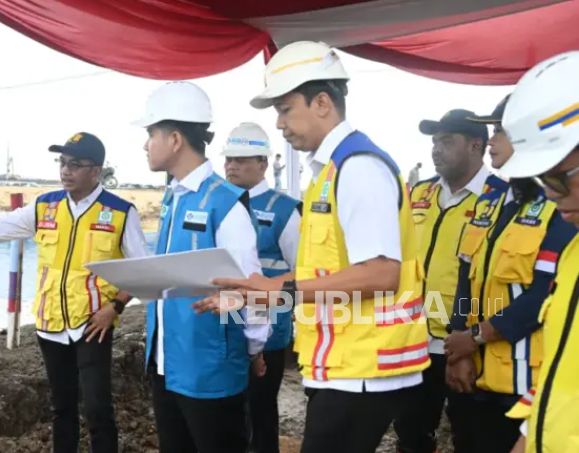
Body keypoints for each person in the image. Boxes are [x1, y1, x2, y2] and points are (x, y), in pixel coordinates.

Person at [198, 41, 430, 453]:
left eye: (286, 110)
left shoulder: (358, 167)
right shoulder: (329, 172)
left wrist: (281, 291)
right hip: (344, 362)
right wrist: (251, 294)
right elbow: (322, 273)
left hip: (365, 366)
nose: (280, 125)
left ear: (322, 102)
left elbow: (382, 273)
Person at [0, 132, 147, 453]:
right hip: (50, 324)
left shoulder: (120, 211)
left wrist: (115, 308)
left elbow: (142, 269)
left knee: (97, 409)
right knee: (61, 408)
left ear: (96, 171)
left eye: (75, 165)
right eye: (62, 163)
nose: (65, 171)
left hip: (93, 324)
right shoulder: (45, 206)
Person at [133, 81, 270, 453]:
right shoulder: (172, 198)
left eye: (151, 134)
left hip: (211, 373)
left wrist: (255, 349)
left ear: (175, 139)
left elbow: (251, 290)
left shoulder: (225, 205)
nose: (145, 144)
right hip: (166, 365)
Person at [440, 95, 576, 453]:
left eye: (502, 131)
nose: (492, 141)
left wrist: (477, 337)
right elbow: (465, 279)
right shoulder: (489, 203)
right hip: (476, 375)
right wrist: (459, 348)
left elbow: (546, 292)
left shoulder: (560, 206)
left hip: (526, 383)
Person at [481, 52, 579, 453]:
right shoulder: (574, 253)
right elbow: (561, 372)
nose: (552, 198)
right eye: (542, 182)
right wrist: (527, 439)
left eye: (557, 179)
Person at [394, 110, 506, 453]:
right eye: (434, 142)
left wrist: (470, 340)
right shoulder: (420, 193)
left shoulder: (500, 198)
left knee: (471, 437)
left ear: (476, 146)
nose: (436, 150)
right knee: (410, 434)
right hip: (412, 338)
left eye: (446, 141)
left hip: (467, 342)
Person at [222, 122, 301, 453]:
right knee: (228, 413)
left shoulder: (285, 210)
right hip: (225, 325)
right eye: (228, 159)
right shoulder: (220, 203)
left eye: (242, 159)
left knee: (260, 410)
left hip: (267, 328)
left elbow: (302, 272)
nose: (232, 166)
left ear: (264, 163)